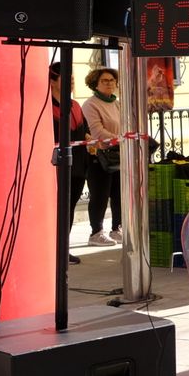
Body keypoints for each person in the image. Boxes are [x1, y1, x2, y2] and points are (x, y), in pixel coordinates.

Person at [80, 68, 123, 246]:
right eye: (104, 80)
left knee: (119, 194)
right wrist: (120, 140)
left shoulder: (117, 103)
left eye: (112, 80)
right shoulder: (91, 105)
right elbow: (97, 131)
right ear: (95, 84)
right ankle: (96, 232)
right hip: (100, 156)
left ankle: (117, 228)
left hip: (118, 153)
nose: (109, 83)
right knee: (100, 195)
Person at [50, 63, 87, 263]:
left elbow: (85, 132)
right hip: (56, 168)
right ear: (52, 81)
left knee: (69, 208)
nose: (72, 82)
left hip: (78, 167)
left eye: (73, 79)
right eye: (67, 78)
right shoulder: (46, 108)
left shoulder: (75, 105)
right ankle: (53, 250)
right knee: (56, 210)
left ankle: (64, 249)